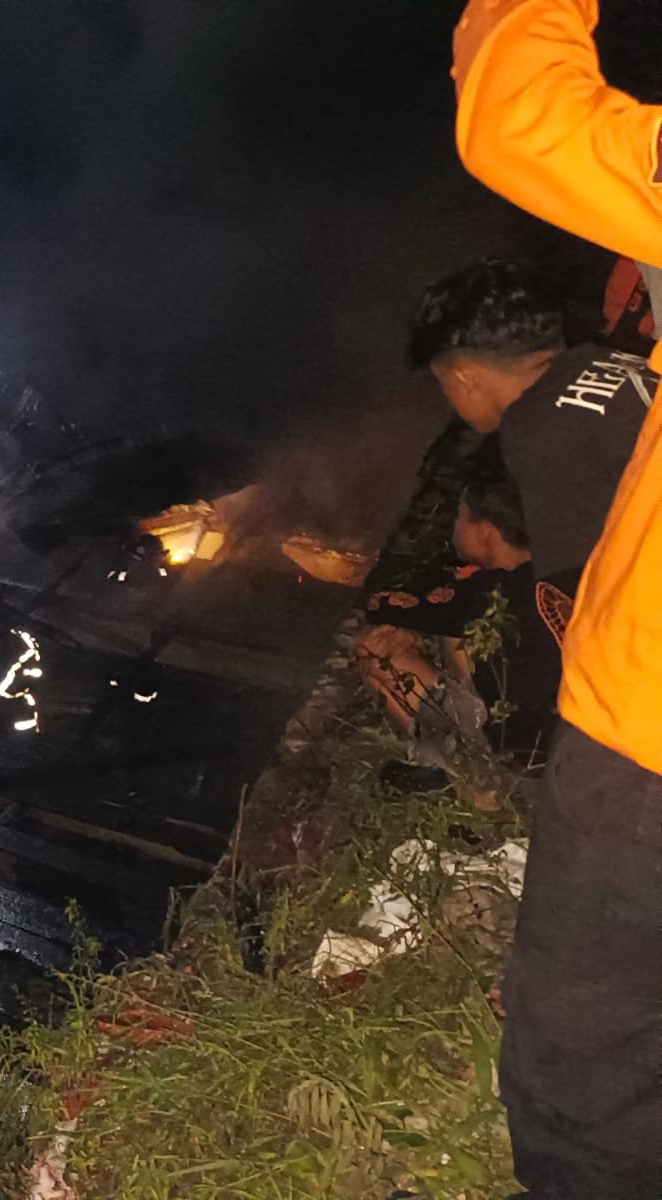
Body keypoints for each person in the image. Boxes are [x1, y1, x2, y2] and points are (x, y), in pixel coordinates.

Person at [450, 3, 662, 1193]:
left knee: (583, 1074)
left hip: (650, 722)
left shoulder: (543, 435)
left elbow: (515, 112)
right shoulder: (597, 376)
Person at [409, 258, 654, 603]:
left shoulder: (537, 427)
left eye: (443, 384)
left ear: (464, 377)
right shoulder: (609, 359)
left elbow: (574, 596)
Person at [358, 457, 560, 764]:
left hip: (518, 756)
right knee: (457, 628)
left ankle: (464, 769)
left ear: (485, 532)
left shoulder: (487, 591)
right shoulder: (554, 575)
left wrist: (367, 584)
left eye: (460, 517)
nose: (454, 527)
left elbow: (388, 606)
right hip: (565, 740)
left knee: (373, 650)